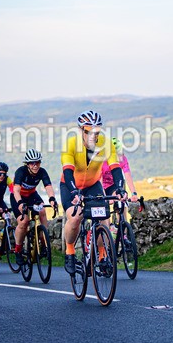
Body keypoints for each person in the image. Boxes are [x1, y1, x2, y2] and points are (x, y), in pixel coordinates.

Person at [61, 111, 126, 275]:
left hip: (93, 185)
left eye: (95, 132)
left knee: (104, 218)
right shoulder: (71, 143)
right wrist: (74, 191)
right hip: (70, 185)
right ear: (81, 130)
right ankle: (69, 252)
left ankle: (103, 256)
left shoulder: (105, 143)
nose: (92, 136)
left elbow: (115, 167)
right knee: (75, 218)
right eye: (87, 131)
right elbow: (68, 171)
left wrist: (119, 188)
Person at [11, 149, 57, 265]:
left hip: (32, 195)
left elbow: (48, 186)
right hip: (18, 197)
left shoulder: (42, 172)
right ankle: (18, 250)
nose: (35, 165)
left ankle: (43, 242)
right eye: (32, 163)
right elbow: (16, 190)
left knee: (42, 211)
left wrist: (52, 199)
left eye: (38, 162)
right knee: (24, 221)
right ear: (27, 164)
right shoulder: (21, 172)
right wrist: (20, 203)